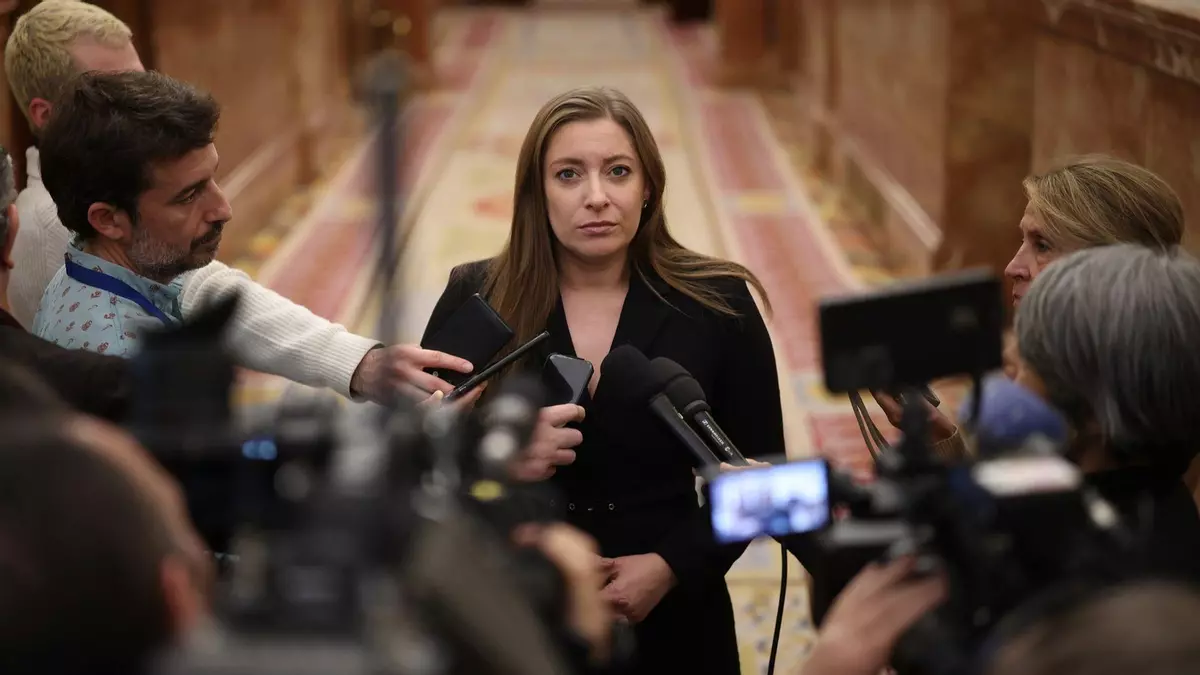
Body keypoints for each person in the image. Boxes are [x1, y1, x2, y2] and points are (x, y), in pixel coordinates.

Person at [421, 86, 785, 674]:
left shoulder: (719, 302)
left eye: (618, 171)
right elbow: (419, 467)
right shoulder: (477, 296)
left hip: (677, 616)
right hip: (514, 614)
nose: (597, 197)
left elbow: (767, 475)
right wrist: (495, 452)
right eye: (568, 174)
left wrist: (670, 566)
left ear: (648, 188)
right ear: (536, 193)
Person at [4, 0, 473, 403]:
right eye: (113, 89)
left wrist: (359, 363)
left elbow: (197, 286)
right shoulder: (54, 245)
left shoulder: (108, 249)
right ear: (107, 221)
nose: (224, 209)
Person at [871, 156, 1187, 457]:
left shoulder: (1132, 398)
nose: (1013, 268)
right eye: (1023, 240)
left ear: (1103, 268)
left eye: (1042, 246)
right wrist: (940, 438)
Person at [1009, 244, 1200, 584]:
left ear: (1096, 412)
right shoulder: (1157, 506)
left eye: (1027, 367)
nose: (1013, 387)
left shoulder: (1085, 577)